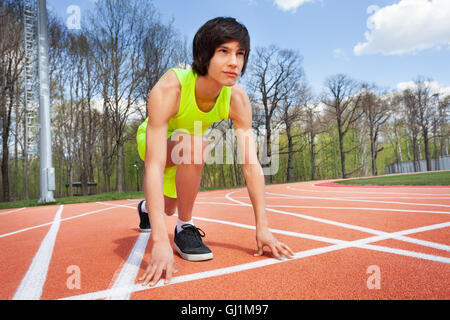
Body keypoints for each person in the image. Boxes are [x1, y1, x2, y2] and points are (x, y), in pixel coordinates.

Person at [136, 17, 294, 286]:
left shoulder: (237, 98)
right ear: (204, 55)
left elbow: (251, 164)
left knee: (169, 205)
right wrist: (161, 241)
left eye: (240, 53)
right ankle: (185, 227)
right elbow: (153, 164)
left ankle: (146, 209)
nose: (235, 62)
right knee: (195, 144)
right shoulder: (171, 87)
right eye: (224, 51)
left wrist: (263, 228)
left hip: (186, 150)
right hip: (156, 143)